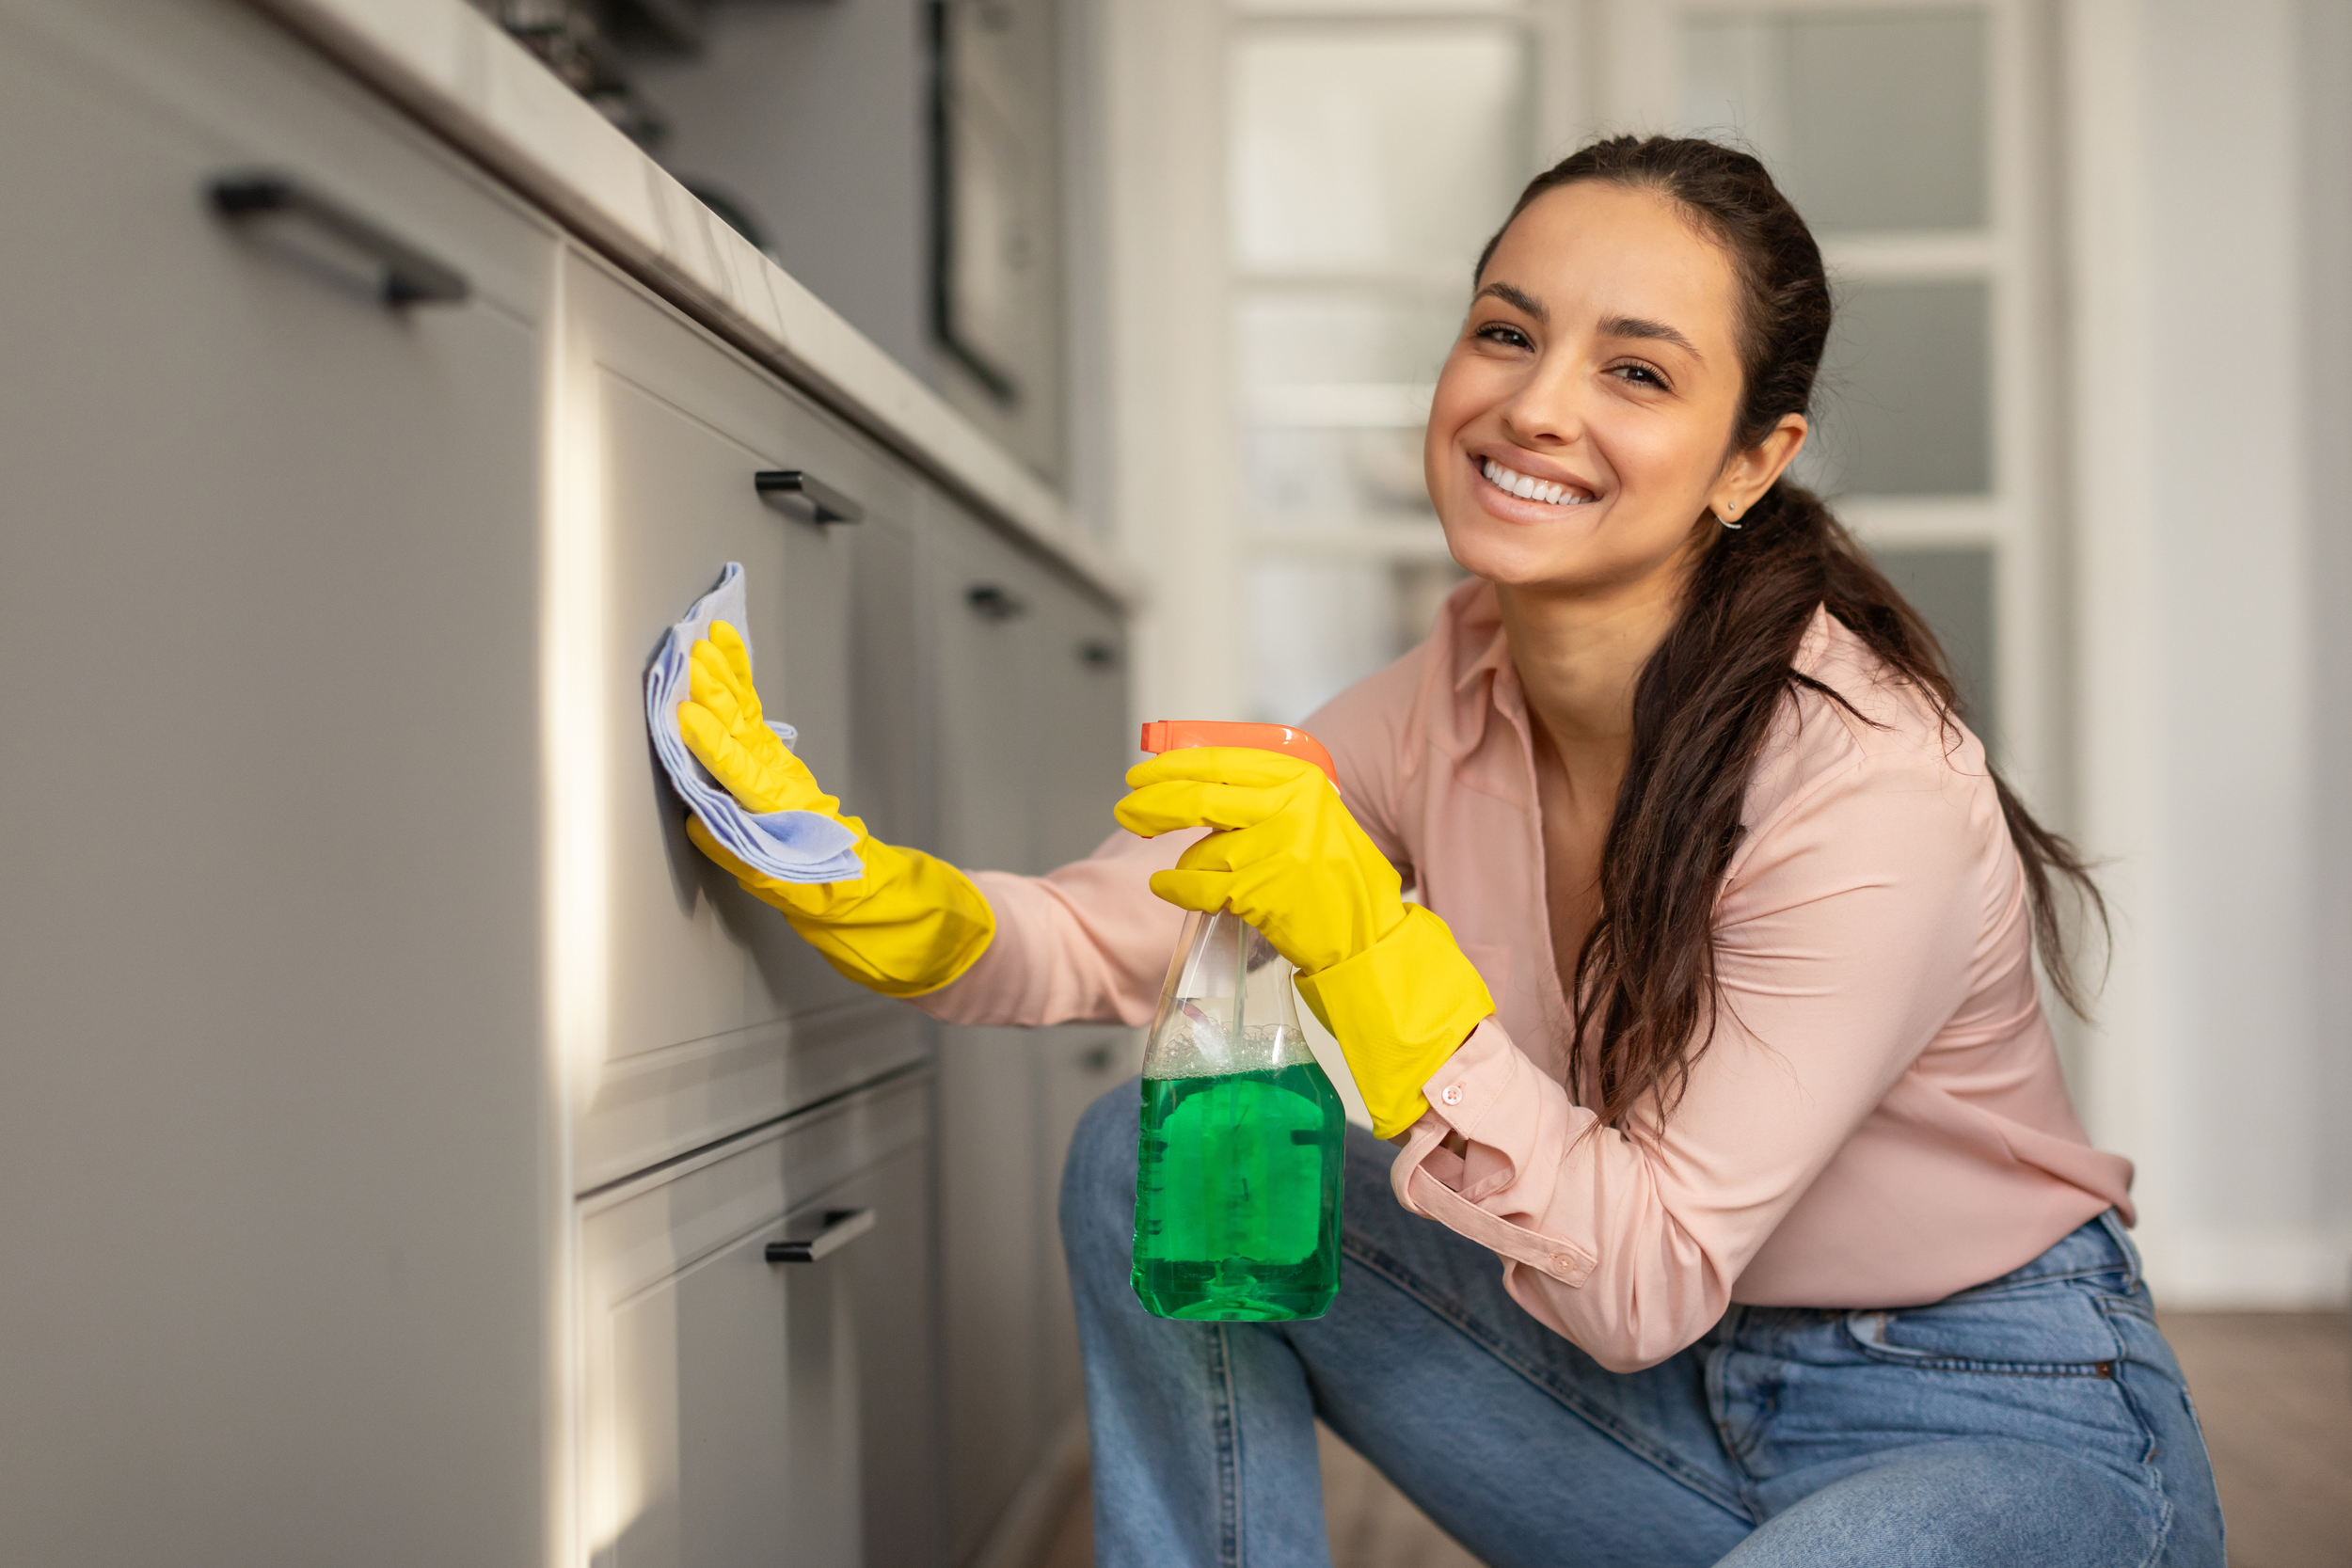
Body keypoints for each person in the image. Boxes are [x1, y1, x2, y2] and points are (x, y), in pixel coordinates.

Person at [676, 135, 2224, 1567]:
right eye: (1506, 331)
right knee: (1132, 1166)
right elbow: (1112, 933)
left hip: (1993, 1424)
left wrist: (1370, 953)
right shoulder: (1450, 694)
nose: (1538, 405)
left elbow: (1638, 1274)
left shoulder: (1862, 778)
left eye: (1636, 370)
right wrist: (880, 893)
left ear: (1754, 459)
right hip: (1659, 1416)